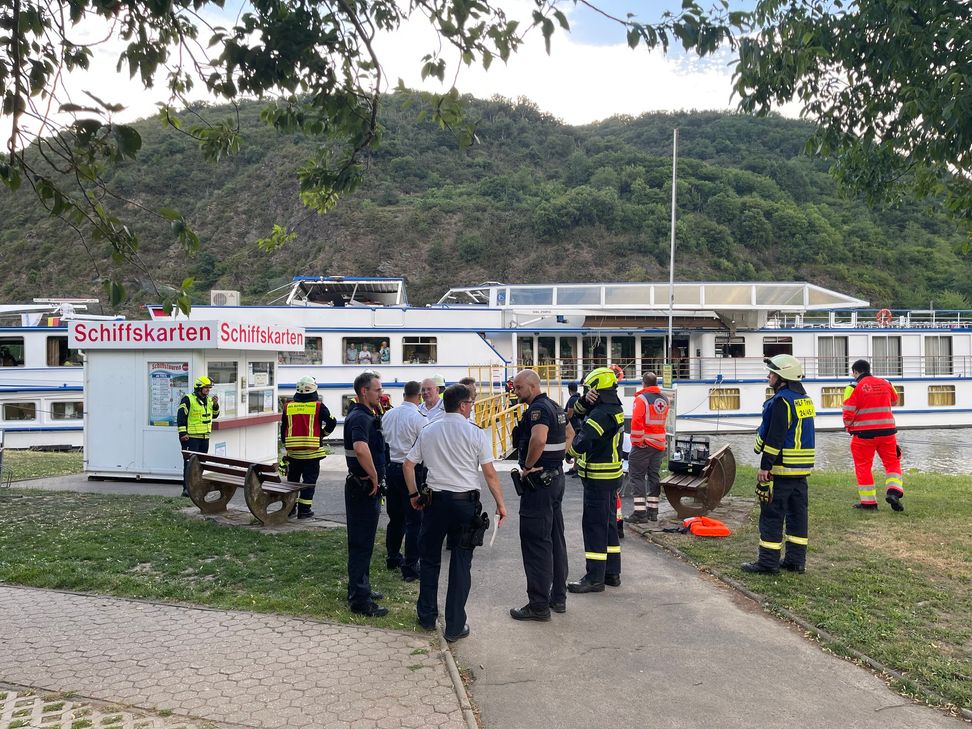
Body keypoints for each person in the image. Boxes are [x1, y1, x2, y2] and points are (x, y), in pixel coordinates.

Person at [404, 384, 508, 642]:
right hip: (464, 504)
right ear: (462, 405)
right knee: (461, 563)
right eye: (471, 403)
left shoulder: (429, 430)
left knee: (429, 560)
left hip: (434, 503)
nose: (471, 406)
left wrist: (414, 495)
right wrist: (501, 504)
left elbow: (408, 464)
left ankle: (427, 617)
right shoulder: (476, 433)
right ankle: (454, 626)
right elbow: (490, 473)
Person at [743, 354, 815, 574]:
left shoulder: (781, 401)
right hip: (801, 471)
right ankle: (795, 561)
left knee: (772, 515)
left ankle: (767, 563)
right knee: (797, 516)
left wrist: (765, 466)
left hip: (781, 469)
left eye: (772, 373)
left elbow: (775, 437)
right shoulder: (804, 399)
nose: (768, 376)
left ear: (782, 376)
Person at [509, 370, 569, 621]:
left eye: (519, 388)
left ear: (532, 387)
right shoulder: (556, 407)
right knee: (555, 538)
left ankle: (538, 605)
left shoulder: (538, 410)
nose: (516, 391)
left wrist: (528, 467)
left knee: (536, 542)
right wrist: (556, 460)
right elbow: (570, 435)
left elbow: (539, 438)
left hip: (539, 485)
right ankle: (558, 598)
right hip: (555, 478)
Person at [566, 367, 624, 593]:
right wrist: (585, 400)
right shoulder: (614, 407)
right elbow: (577, 412)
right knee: (608, 525)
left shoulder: (600, 415)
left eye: (590, 389)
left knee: (594, 527)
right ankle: (612, 573)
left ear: (598, 389)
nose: (587, 392)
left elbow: (584, 439)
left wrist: (569, 454)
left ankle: (594, 577)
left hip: (598, 477)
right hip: (612, 476)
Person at [344, 371, 388, 617]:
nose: (380, 394)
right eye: (377, 390)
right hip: (363, 488)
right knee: (361, 544)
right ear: (364, 391)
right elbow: (361, 449)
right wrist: (373, 476)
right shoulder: (360, 418)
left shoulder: (364, 414)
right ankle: (361, 601)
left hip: (362, 488)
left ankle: (360, 588)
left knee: (364, 543)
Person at [380, 381, 427, 581]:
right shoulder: (419, 418)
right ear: (419, 397)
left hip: (390, 468)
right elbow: (425, 446)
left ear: (404, 394)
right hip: (411, 470)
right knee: (414, 520)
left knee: (396, 517)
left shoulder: (388, 415)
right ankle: (410, 567)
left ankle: (392, 557)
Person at [843, 359, 904, 511]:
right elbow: (895, 401)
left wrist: (849, 427)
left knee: (863, 467)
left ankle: (869, 503)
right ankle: (894, 492)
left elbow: (848, 412)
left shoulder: (853, 387)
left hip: (863, 435)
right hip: (888, 433)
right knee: (892, 463)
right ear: (869, 369)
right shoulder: (886, 383)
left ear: (856, 372)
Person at [280, 375, 336, 519]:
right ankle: (304, 510)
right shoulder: (318, 406)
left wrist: (287, 445)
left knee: (292, 482)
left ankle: (290, 508)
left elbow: (283, 429)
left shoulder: (288, 406)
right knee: (309, 482)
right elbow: (332, 422)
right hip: (312, 454)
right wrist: (322, 434)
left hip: (293, 455)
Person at [627, 372, 670, 523]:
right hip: (659, 444)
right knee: (653, 476)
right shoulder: (664, 399)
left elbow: (637, 422)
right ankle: (653, 511)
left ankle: (640, 514)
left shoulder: (641, 399)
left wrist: (637, 442)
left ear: (643, 383)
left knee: (637, 476)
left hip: (644, 444)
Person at [178, 375, 220, 497]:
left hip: (204, 437)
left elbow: (214, 415)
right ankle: (187, 489)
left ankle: (196, 486)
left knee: (201, 464)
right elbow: (181, 417)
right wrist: (183, 433)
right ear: (199, 388)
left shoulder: (209, 400)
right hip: (190, 438)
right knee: (189, 463)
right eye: (206, 387)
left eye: (209, 388)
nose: (208, 390)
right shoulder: (188, 399)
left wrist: (216, 405)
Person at [564, 382, 582, 477]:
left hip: (573, 426)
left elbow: (570, 415)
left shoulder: (572, 400)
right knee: (577, 446)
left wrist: (560, 414)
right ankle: (575, 468)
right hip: (579, 425)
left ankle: (575, 467)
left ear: (569, 389)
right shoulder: (579, 398)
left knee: (574, 447)